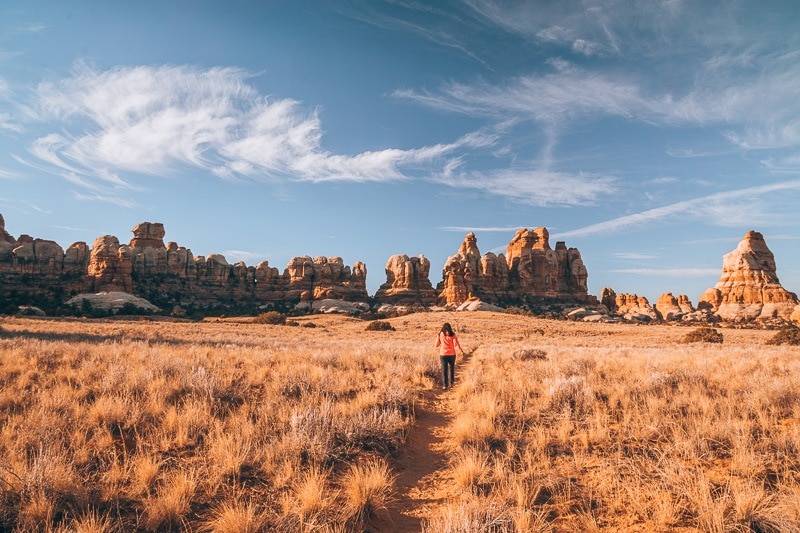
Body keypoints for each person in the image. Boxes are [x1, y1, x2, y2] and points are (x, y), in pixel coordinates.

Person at [435, 322, 464, 389]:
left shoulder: (440, 334)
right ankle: (452, 383)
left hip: (443, 354)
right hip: (452, 354)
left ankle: (445, 385)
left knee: (444, 369)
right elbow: (456, 344)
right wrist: (461, 351)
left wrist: (438, 338)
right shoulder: (453, 335)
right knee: (451, 368)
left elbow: (437, 345)